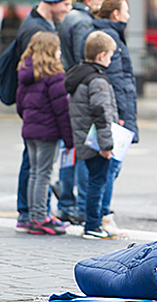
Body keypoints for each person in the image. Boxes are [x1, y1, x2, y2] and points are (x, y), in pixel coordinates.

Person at [14, 0, 74, 232]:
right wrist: (69, 138)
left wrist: (28, 120)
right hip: (48, 132)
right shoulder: (55, 76)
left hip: (30, 131)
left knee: (35, 172)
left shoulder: (26, 73)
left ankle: (31, 215)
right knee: (43, 174)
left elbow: (20, 104)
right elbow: (62, 111)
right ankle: (40, 217)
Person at [54, 0, 111, 224]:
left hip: (70, 84)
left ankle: (66, 202)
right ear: (89, 0)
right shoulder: (84, 22)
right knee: (83, 150)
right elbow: (84, 55)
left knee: (69, 148)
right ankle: (76, 206)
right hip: (82, 87)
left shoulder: (68, 18)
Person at [84, 0, 139, 236]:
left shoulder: (112, 34)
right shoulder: (110, 37)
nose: (128, 16)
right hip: (118, 113)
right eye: (125, 11)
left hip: (119, 110)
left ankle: (101, 216)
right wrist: (121, 115)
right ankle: (103, 217)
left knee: (109, 168)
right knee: (110, 168)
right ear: (116, 14)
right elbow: (116, 80)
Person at [65, 30, 119, 239]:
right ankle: (92, 226)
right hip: (97, 142)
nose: (111, 59)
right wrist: (106, 145)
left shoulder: (79, 76)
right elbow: (101, 112)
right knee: (97, 183)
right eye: (110, 55)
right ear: (101, 56)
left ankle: (92, 223)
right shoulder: (98, 81)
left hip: (83, 138)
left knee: (92, 181)